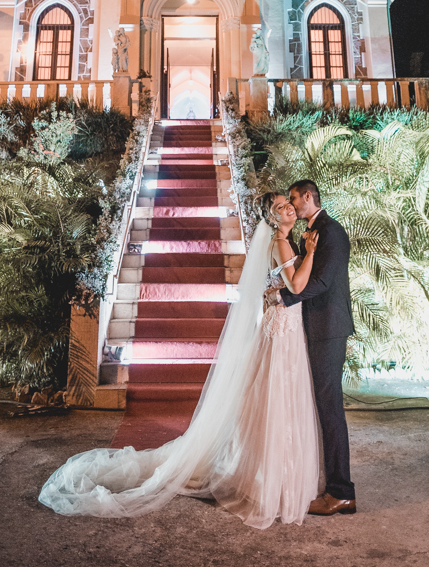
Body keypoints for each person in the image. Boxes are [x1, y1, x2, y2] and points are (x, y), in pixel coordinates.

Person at [39, 193, 322, 529]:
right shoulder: (280, 243)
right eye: (280, 206)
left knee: (275, 402)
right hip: (281, 334)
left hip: (281, 330)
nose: (288, 207)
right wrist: (313, 253)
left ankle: (270, 475)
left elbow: (278, 286)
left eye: (287, 203)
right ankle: (270, 481)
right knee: (277, 400)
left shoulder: (282, 243)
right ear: (273, 219)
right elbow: (299, 283)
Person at [265, 179, 356, 515]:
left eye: (293, 199)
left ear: (308, 197)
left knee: (330, 409)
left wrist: (282, 297)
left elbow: (321, 282)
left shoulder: (331, 232)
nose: (291, 205)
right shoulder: (312, 232)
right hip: (313, 327)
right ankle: (330, 483)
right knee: (321, 407)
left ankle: (341, 491)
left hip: (328, 329)